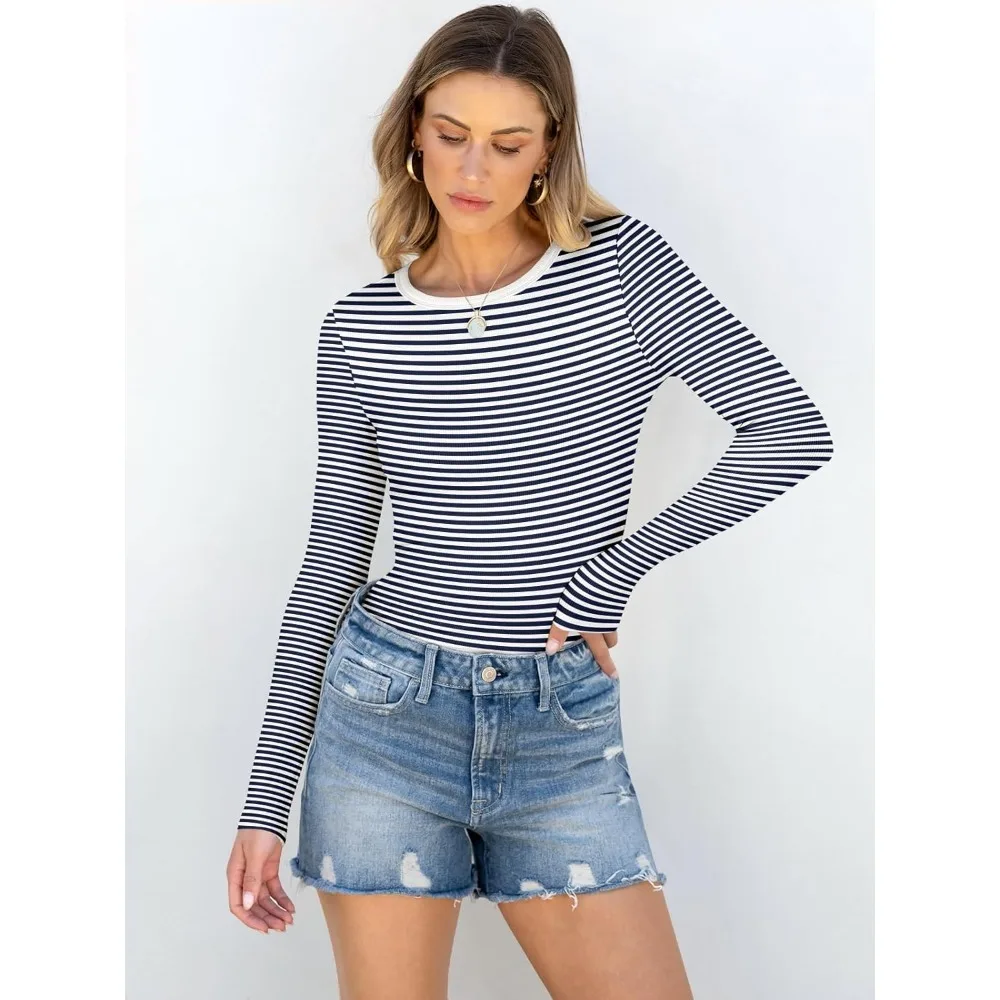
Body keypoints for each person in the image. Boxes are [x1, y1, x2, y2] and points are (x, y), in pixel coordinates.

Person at [226, 6, 834, 998]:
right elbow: (331, 561)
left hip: (557, 723)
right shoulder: (363, 329)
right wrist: (263, 802)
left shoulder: (620, 269)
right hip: (383, 720)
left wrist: (612, 573)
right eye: (451, 134)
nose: (473, 169)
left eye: (508, 145)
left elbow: (788, 430)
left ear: (549, 150)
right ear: (413, 133)